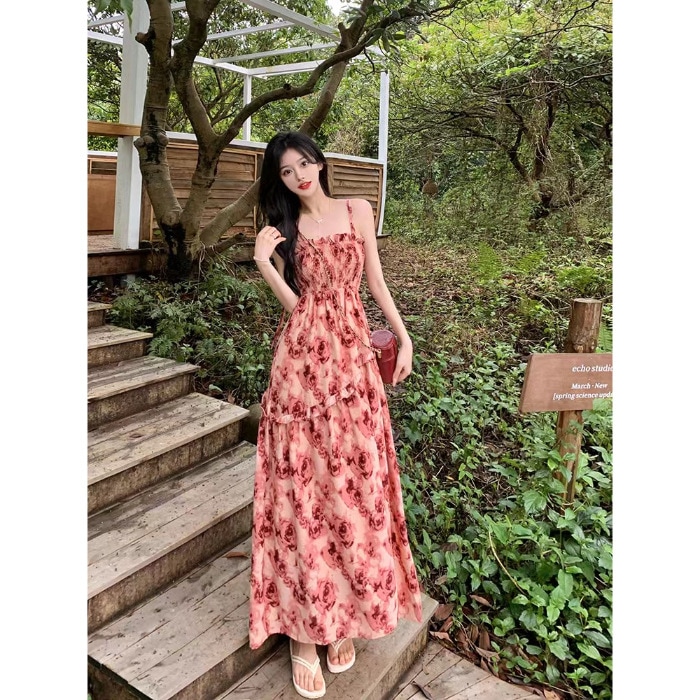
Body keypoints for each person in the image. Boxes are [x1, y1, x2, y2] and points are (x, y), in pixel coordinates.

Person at [247, 131, 423, 699]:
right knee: (303, 488)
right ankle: (303, 634)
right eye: (286, 171)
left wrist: (403, 336)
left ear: (320, 162)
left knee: (353, 485)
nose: (299, 175)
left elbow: (374, 281)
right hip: (302, 368)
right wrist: (265, 264)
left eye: (304, 162)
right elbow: (301, 309)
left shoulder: (357, 209)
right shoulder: (285, 229)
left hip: (354, 365)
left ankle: (341, 611)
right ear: (279, 180)